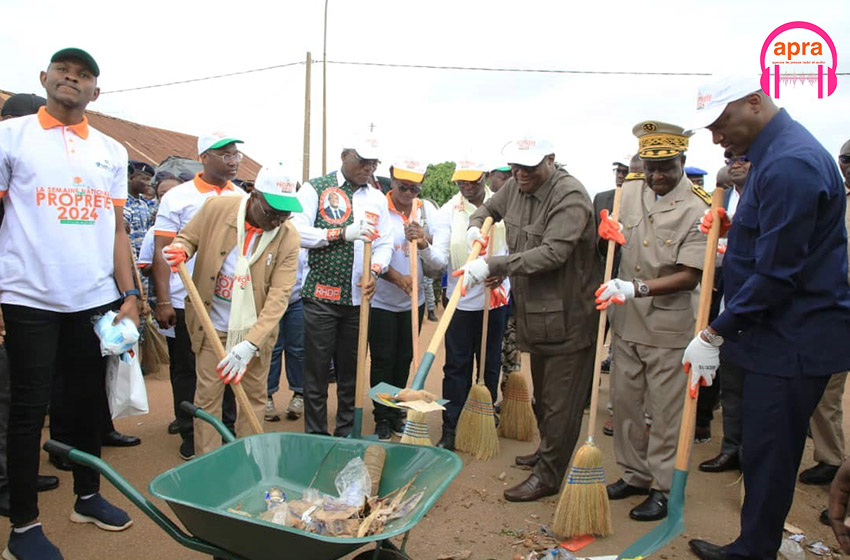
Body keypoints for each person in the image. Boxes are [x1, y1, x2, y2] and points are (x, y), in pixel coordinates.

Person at [684, 76, 850, 560]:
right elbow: (777, 242)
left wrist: (714, 333)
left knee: (771, 454)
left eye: (722, 123)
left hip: (791, 339)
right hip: (774, 334)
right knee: (761, 449)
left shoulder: (790, 163)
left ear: (754, 103)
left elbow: (778, 275)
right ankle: (754, 544)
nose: (717, 137)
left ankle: (754, 551)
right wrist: (738, 232)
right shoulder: (772, 155)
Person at [0, 48, 139, 559]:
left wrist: (130, 294)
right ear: (45, 77)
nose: (71, 79)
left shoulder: (111, 150)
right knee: (27, 409)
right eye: (63, 71)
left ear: (95, 92)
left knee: (85, 405)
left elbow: (118, 230)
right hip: (28, 297)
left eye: (83, 76)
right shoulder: (10, 137)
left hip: (93, 300)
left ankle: (88, 497)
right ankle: (23, 528)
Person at [465, 137, 598, 502]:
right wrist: (476, 226)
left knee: (560, 402)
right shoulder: (515, 187)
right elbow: (487, 208)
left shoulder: (569, 196)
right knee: (543, 395)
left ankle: (549, 475)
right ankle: (547, 452)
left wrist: (494, 265)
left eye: (529, 167)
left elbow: (553, 253)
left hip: (569, 316)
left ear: (550, 160)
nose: (520, 174)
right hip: (537, 314)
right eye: (515, 167)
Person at [596, 121, 709, 522]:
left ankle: (662, 486)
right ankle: (635, 474)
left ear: (682, 161)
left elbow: (690, 276)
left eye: (666, 167)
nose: (657, 176)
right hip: (627, 323)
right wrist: (606, 234)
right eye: (650, 167)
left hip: (668, 327)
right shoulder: (629, 194)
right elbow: (614, 245)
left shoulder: (699, 208)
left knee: (665, 414)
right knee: (625, 404)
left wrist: (636, 288)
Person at [162, 164, 301, 455]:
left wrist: (250, 345)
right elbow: (188, 237)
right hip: (212, 326)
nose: (277, 220)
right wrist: (181, 249)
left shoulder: (288, 235)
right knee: (207, 399)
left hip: (255, 333)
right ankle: (210, 462)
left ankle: (249, 461)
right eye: (272, 211)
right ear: (254, 195)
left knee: (253, 399)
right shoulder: (216, 208)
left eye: (285, 214)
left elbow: (279, 296)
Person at [152, 132, 245, 460]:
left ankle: (226, 428)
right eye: (225, 155)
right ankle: (190, 432)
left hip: (227, 302)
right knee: (188, 369)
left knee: (227, 366)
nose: (233, 161)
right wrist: (164, 300)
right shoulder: (178, 197)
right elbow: (162, 249)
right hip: (184, 299)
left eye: (236, 155)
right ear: (204, 157)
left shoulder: (241, 197)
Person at [291, 136, 392, 437]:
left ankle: (346, 433)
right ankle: (316, 436)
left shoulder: (377, 198)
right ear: (345, 155)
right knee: (317, 373)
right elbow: (296, 231)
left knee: (351, 373)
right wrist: (341, 233)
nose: (368, 168)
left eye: (373, 163)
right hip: (321, 297)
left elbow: (385, 243)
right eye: (362, 161)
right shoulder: (316, 189)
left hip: (358, 301)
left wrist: (375, 270)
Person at [0, 93, 58, 519]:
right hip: (10, 300)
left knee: (23, 395)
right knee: (7, 398)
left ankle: (17, 472)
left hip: (26, 301)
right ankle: (6, 483)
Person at [428, 160, 510, 452]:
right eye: (461, 181)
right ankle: (451, 426)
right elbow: (440, 258)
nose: (466, 186)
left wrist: (502, 271)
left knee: (489, 364)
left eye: (472, 180)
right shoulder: (448, 211)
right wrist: (424, 249)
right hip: (460, 302)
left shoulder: (504, 204)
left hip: (495, 299)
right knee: (456, 366)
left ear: (484, 177)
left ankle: (482, 420)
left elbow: (516, 249)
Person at [368, 159, 442, 441]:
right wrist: (395, 277)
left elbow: (437, 262)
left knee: (404, 359)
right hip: (382, 302)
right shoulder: (378, 207)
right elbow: (370, 253)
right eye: (403, 187)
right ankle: (381, 416)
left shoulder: (426, 212)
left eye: (414, 188)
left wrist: (423, 242)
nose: (408, 193)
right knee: (383, 360)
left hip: (413, 302)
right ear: (392, 179)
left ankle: (397, 411)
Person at [698, 156, 749, 473]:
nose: (735, 164)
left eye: (744, 159)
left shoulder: (769, 194)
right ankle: (731, 448)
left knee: (756, 389)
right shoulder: (722, 198)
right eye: (730, 160)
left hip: (759, 308)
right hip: (725, 303)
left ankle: (752, 453)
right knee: (729, 384)